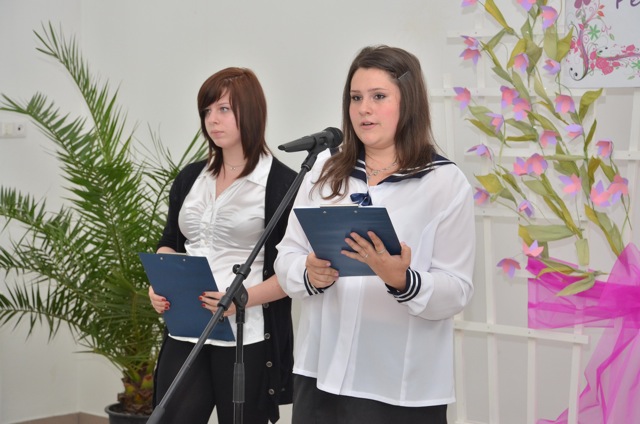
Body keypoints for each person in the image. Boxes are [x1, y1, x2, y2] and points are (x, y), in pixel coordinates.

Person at [274, 45, 476, 424]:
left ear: (408, 102)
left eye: (378, 96)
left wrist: (403, 280)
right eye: (356, 98)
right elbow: (286, 255)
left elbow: (458, 289)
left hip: (398, 383)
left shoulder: (444, 182)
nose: (363, 109)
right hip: (320, 372)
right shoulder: (323, 171)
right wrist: (308, 272)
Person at [149, 67, 295, 424]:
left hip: (247, 334)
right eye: (207, 111)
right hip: (186, 326)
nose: (212, 120)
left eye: (224, 109)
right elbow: (170, 242)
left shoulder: (283, 184)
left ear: (252, 112)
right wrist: (160, 283)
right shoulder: (190, 177)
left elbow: (293, 270)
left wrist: (240, 299)